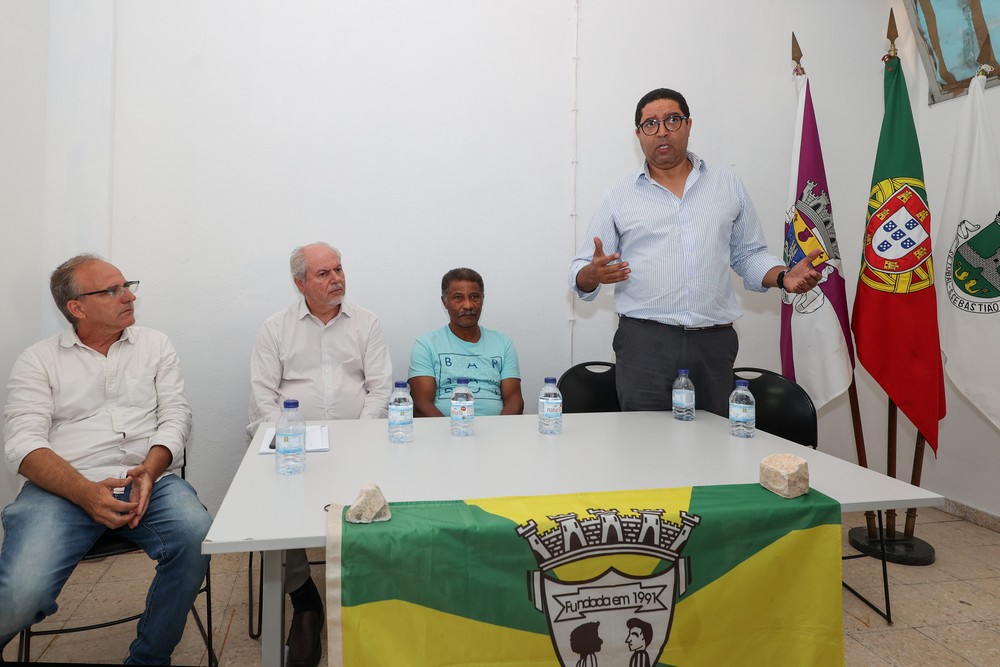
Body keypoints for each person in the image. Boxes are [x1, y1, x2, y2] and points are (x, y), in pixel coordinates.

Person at [0, 254, 211, 664]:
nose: (128, 296)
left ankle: (149, 658)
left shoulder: (155, 345)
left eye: (127, 285)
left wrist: (151, 469)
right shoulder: (39, 360)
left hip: (147, 482)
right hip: (61, 490)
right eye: (112, 290)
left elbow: (176, 415)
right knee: (23, 593)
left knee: (195, 532)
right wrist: (83, 492)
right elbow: (22, 445)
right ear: (76, 307)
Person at [569, 87, 821, 416]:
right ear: (638, 135)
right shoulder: (618, 196)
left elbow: (749, 255)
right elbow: (581, 273)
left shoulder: (726, 184)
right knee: (645, 447)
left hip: (712, 344)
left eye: (672, 120)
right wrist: (592, 274)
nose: (661, 130)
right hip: (645, 343)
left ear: (688, 125)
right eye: (650, 123)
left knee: (714, 447)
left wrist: (784, 276)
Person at [248, 241, 391, 667]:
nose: (336, 279)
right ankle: (304, 599)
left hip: (359, 440)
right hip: (294, 447)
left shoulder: (367, 323)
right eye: (324, 273)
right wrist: (289, 442)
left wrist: (359, 437)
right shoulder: (275, 328)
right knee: (282, 505)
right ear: (300, 283)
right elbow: (262, 400)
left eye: (339, 269)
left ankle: (362, 590)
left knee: (376, 492)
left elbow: (380, 388)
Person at [408, 268, 523, 418]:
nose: (468, 305)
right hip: (443, 433)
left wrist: (499, 433)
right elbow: (421, 404)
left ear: (482, 299)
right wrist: (453, 432)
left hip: (495, 432)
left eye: (474, 297)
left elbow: (515, 400)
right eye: (458, 298)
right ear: (445, 301)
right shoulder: (426, 344)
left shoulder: (503, 343)